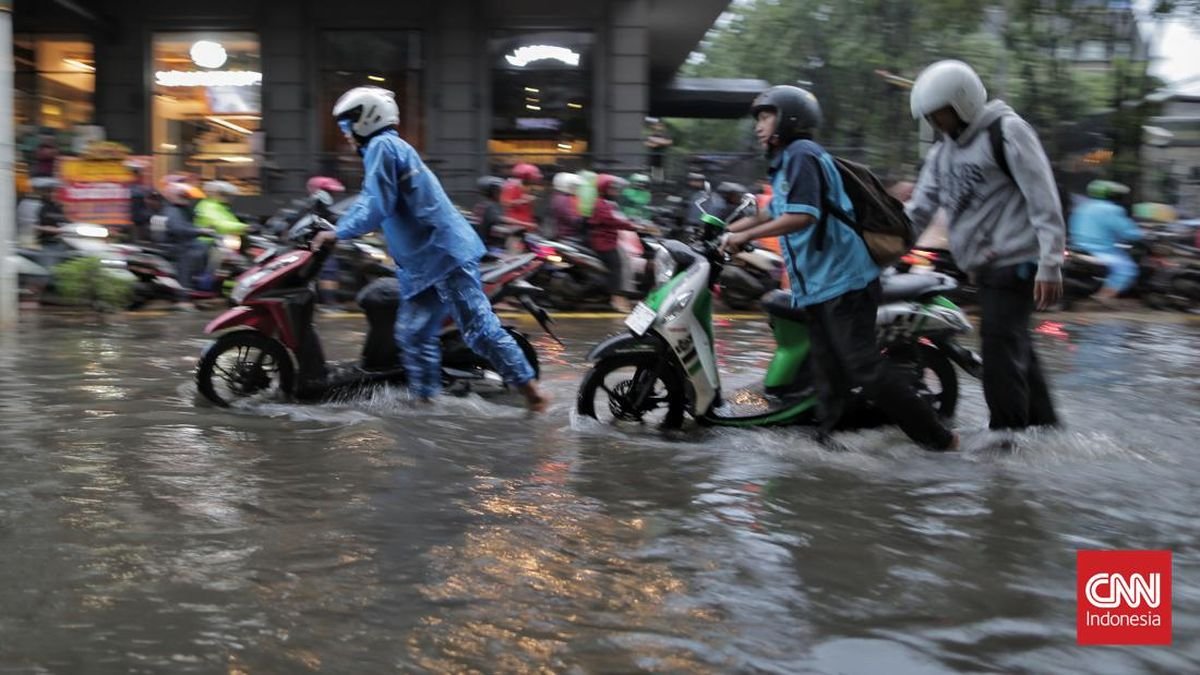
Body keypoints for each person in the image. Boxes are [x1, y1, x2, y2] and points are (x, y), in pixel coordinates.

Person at [721, 85, 957, 451]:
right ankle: (830, 444)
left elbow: (802, 216)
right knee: (827, 370)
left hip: (844, 282)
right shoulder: (787, 162)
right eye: (758, 118)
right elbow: (779, 208)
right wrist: (734, 228)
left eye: (766, 116)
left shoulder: (802, 154)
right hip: (818, 285)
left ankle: (941, 439)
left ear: (789, 118)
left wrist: (742, 238)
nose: (759, 126)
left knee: (864, 368)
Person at [311, 86, 547, 412]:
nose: (346, 134)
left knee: (479, 330)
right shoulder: (388, 148)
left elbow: (376, 203)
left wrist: (339, 233)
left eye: (346, 125)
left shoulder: (382, 146)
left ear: (366, 119)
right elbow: (373, 200)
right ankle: (427, 401)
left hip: (442, 253)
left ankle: (533, 394)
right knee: (414, 334)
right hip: (421, 262)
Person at [906, 59, 1063, 431]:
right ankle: (1046, 429)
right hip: (986, 268)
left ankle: (1005, 437)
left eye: (940, 114)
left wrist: (1051, 262)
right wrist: (878, 246)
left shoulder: (1007, 131)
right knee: (1014, 346)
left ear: (963, 103)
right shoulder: (941, 153)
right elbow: (918, 210)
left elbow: (1043, 197)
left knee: (997, 349)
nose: (936, 124)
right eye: (930, 117)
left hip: (1018, 261)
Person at [1069, 180, 1142, 305]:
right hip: (1100, 249)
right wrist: (1139, 234)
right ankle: (1103, 297)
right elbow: (1127, 231)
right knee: (1126, 269)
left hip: (1077, 246)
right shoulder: (1112, 209)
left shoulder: (1083, 206)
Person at [588, 174, 641, 313]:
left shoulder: (607, 203)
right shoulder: (601, 205)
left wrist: (632, 222)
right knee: (617, 267)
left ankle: (625, 294)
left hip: (610, 240)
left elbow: (618, 217)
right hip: (604, 243)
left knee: (625, 260)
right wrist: (632, 226)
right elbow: (611, 221)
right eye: (612, 189)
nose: (615, 191)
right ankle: (616, 299)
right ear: (604, 189)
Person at [162, 181, 210, 309]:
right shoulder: (172, 211)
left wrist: (203, 229)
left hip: (187, 242)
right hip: (177, 245)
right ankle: (183, 296)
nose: (187, 199)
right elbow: (178, 229)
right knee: (187, 259)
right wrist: (199, 231)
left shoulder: (183, 210)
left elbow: (190, 224)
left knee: (204, 249)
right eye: (184, 196)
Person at [501, 163, 542, 231]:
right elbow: (505, 203)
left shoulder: (526, 187)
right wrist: (523, 201)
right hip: (515, 224)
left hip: (525, 223)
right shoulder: (511, 186)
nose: (533, 180)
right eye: (531, 177)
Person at [549, 172, 583, 243]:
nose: (576, 189)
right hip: (568, 235)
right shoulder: (563, 200)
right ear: (566, 186)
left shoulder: (559, 197)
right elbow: (572, 219)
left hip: (564, 234)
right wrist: (583, 219)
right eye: (574, 186)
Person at [127, 165, 153, 243]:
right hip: (136, 212)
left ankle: (137, 240)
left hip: (138, 213)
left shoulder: (138, 185)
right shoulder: (135, 185)